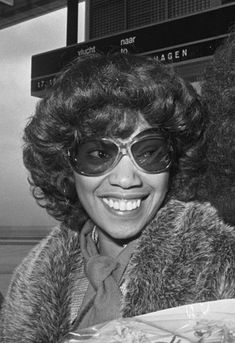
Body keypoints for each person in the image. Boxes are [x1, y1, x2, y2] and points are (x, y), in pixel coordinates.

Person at [0, 51, 235, 343]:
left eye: (149, 152)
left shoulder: (223, 267)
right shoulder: (30, 282)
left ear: (173, 162)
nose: (126, 179)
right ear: (67, 166)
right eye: (99, 154)